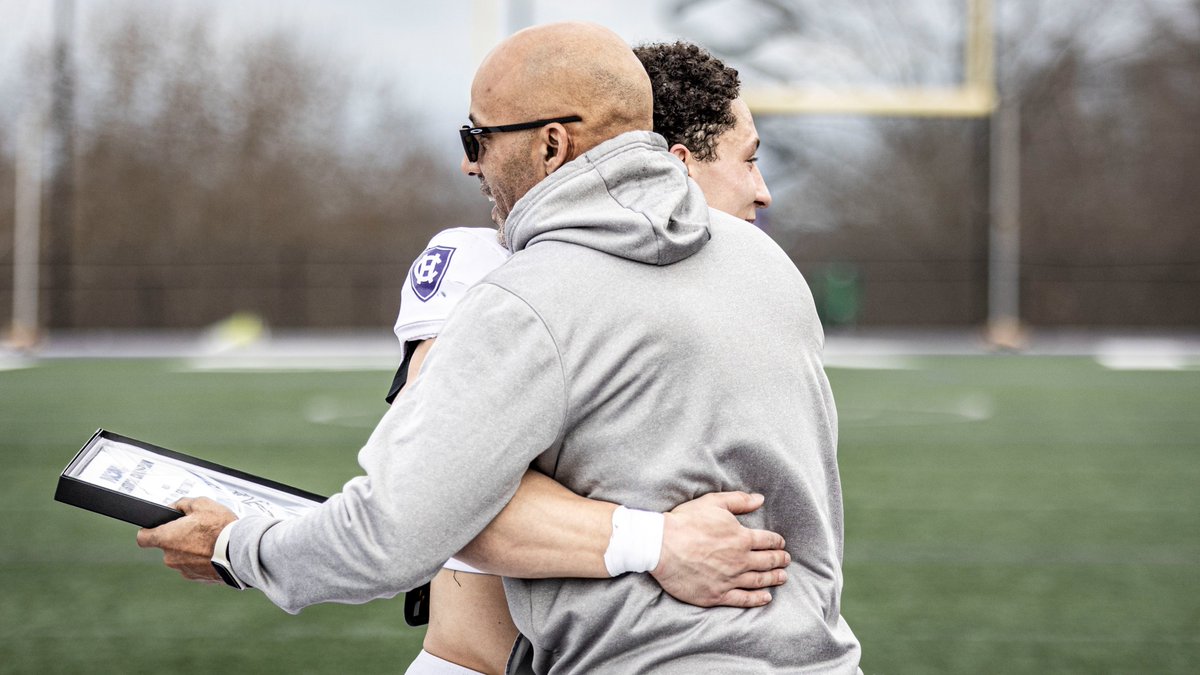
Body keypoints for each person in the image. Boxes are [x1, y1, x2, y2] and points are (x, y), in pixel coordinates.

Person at [139, 22, 861, 673]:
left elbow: (398, 528)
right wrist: (655, 538)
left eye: (477, 139)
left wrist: (238, 547)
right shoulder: (764, 262)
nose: (469, 164)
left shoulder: (526, 296)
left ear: (552, 142)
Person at [394, 40, 780, 674]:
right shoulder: (490, 263)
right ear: (677, 166)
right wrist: (656, 541)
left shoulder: (750, 289)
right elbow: (434, 482)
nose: (763, 192)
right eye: (751, 161)